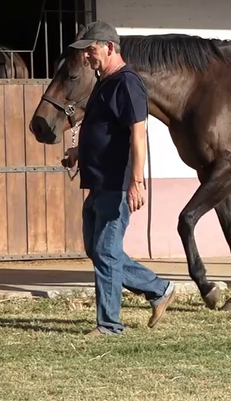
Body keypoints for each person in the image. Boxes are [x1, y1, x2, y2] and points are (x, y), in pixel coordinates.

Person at [62, 21, 176, 336]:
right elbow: (102, 132)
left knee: (107, 252)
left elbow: (137, 136)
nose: (86, 56)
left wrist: (136, 183)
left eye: (91, 49)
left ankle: (109, 324)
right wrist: (79, 154)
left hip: (117, 183)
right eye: (84, 51)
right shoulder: (103, 82)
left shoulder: (128, 84)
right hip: (97, 181)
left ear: (110, 47)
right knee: (97, 249)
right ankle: (158, 288)